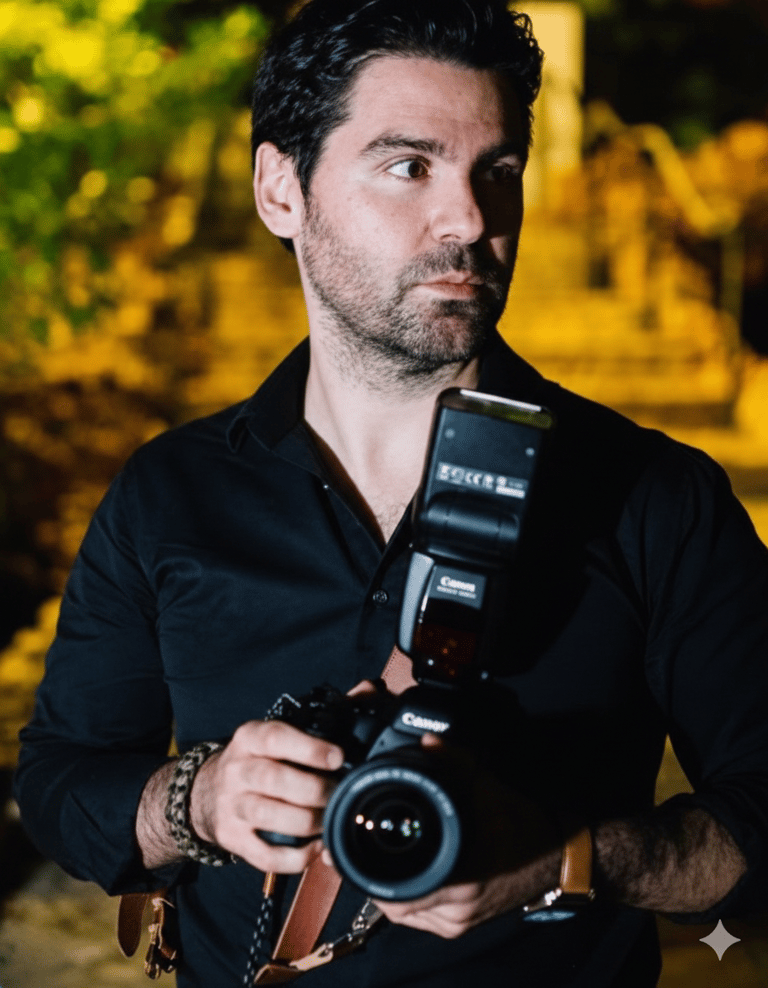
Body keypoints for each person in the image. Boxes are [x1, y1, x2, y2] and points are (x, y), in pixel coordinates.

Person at [14, 1, 768, 985]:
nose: (471, 220)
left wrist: (567, 859)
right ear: (281, 191)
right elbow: (62, 783)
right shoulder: (169, 493)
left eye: (498, 171)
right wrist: (197, 800)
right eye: (409, 166)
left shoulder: (656, 496)